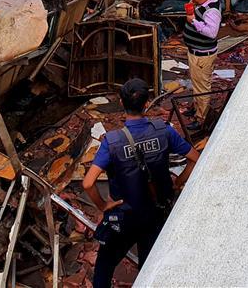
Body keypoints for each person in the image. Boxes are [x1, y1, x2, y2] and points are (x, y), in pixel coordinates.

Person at [83, 78, 200, 288]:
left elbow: (88, 183)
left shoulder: (112, 141)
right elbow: (194, 159)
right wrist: (178, 183)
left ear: (121, 102)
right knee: (149, 268)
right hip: (156, 213)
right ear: (147, 104)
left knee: (104, 267)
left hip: (124, 216)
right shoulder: (164, 131)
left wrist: (103, 205)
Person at [183, 0, 221, 132]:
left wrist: (194, 22)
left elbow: (212, 33)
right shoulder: (206, 3)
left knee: (202, 88)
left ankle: (201, 118)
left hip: (202, 55)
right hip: (196, 52)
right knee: (197, 83)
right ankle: (196, 107)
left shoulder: (212, 11)